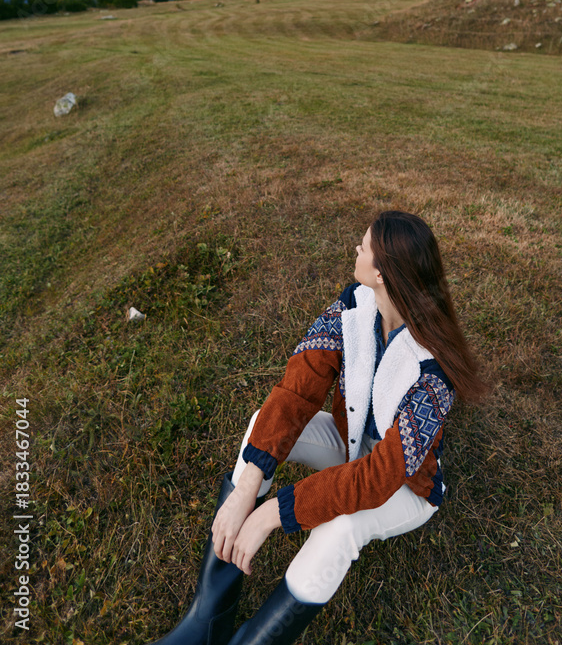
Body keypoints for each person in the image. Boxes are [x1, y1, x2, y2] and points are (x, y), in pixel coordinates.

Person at [148, 210, 489, 645]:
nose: (356, 250)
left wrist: (274, 514)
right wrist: (245, 494)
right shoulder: (352, 306)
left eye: (363, 246)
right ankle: (208, 618)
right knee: (263, 425)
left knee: (341, 527)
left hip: (404, 486)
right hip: (352, 445)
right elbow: (295, 394)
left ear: (383, 273)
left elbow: (378, 477)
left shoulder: (432, 371)